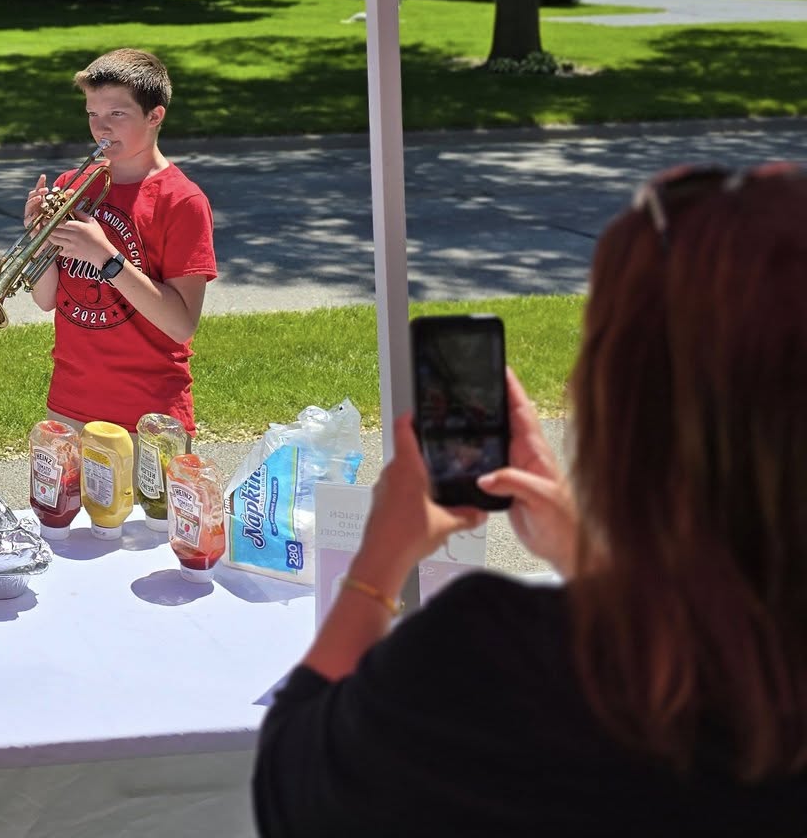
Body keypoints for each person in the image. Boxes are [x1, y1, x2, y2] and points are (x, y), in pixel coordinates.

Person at [253, 163, 807, 835]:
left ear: (623, 410)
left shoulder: (494, 665)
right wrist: (586, 557)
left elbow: (293, 784)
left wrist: (377, 565)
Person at [25, 49, 217, 436]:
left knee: (150, 501)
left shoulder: (182, 201)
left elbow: (181, 325)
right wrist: (40, 241)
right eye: (93, 115)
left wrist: (105, 256)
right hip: (70, 404)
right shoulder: (72, 185)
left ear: (154, 116)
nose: (101, 128)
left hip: (149, 416)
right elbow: (46, 299)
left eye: (117, 114)